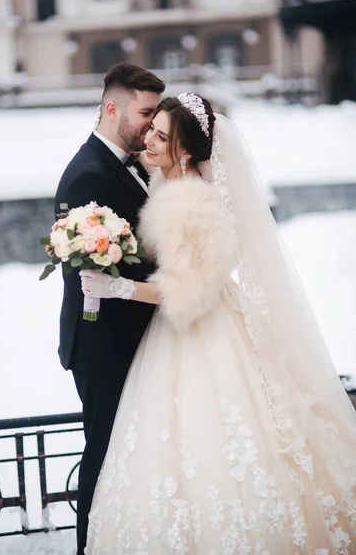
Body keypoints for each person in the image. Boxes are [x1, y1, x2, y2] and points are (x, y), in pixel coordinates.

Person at [81, 94, 356, 553]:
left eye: (161, 136)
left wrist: (118, 288)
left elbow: (188, 292)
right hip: (197, 325)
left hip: (201, 329)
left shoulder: (188, 201)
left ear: (186, 151)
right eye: (150, 129)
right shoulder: (172, 181)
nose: (148, 139)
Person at [54, 62, 165, 555]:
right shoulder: (87, 175)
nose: (151, 123)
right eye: (145, 112)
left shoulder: (134, 164)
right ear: (113, 107)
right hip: (104, 347)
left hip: (138, 342)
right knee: (102, 458)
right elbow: (95, 273)